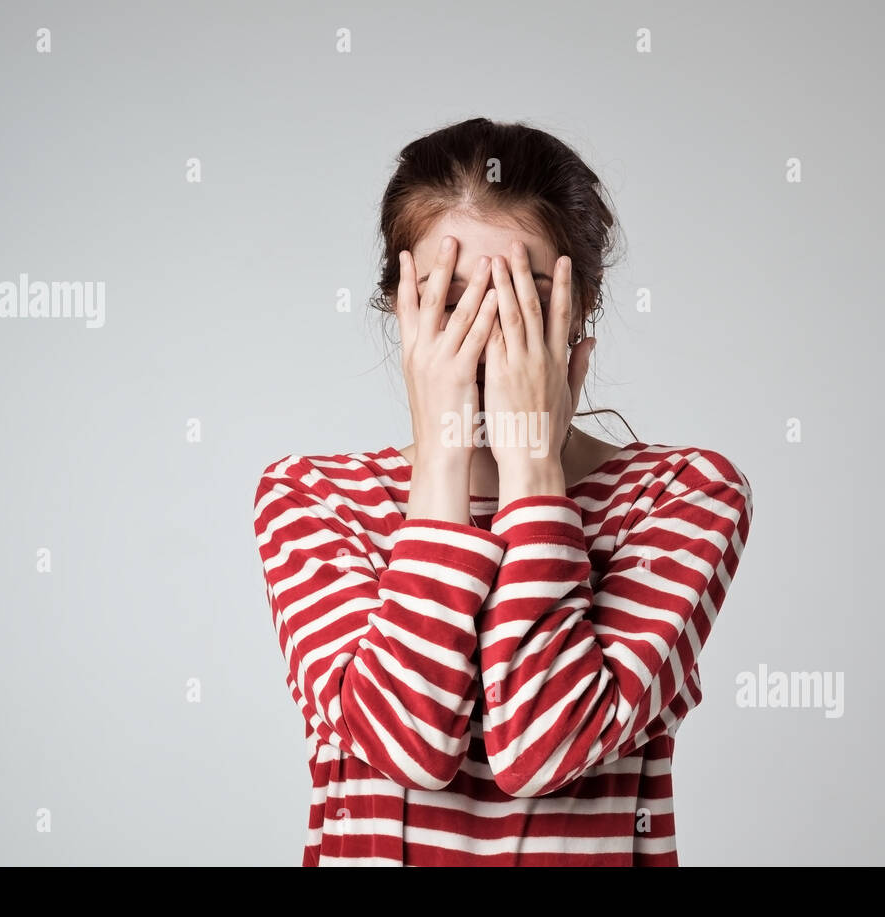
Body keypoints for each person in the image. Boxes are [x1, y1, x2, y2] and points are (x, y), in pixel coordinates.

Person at [252, 118, 753, 865]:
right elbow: (407, 745)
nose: (488, 339)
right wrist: (444, 462)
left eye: (522, 298)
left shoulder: (679, 496)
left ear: (581, 308)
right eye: (452, 302)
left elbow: (541, 749)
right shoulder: (315, 500)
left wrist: (531, 466)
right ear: (402, 310)